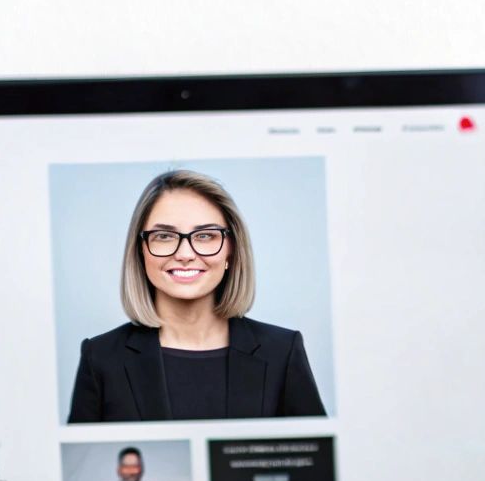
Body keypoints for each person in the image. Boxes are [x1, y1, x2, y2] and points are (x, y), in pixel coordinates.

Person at [67, 170, 325, 423]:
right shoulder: (100, 357)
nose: (185, 253)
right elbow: (83, 464)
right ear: (140, 251)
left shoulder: (282, 351)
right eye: (164, 236)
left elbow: (319, 463)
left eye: (205, 235)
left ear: (230, 251)